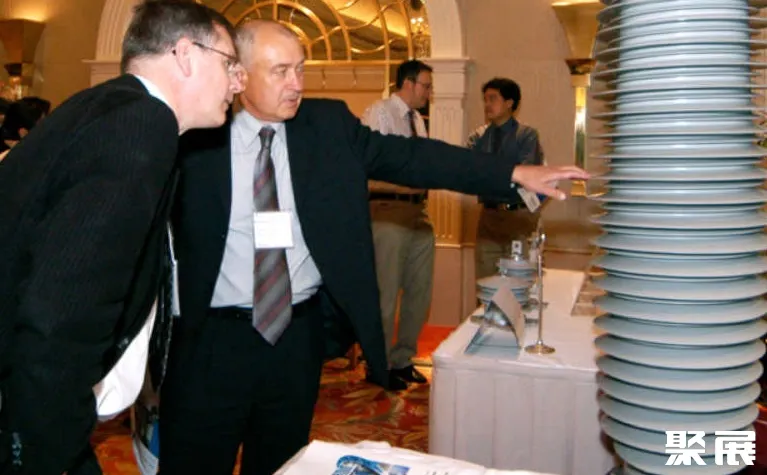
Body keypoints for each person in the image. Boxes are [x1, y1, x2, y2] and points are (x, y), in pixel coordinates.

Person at [159, 19, 588, 475]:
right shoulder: (194, 136)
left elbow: (415, 158)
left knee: (282, 465)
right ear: (239, 75)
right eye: (281, 71)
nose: (297, 84)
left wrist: (512, 173)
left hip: (293, 338)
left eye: (300, 69)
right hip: (210, 342)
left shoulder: (326, 126)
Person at [0, 1, 243, 473]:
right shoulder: (142, 125)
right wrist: (36, 451)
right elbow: (62, 311)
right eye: (229, 63)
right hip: (30, 418)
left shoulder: (106, 107)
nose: (237, 82)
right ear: (185, 54)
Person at [362, 59, 435, 387]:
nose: (429, 93)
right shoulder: (379, 113)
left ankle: (402, 359)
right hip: (388, 210)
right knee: (386, 294)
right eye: (426, 86)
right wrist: (407, 184)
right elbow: (367, 169)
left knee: (420, 292)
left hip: (419, 212)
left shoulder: (417, 120)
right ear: (408, 83)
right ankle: (378, 365)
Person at [472, 77, 545, 279]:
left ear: (509, 103)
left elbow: (525, 174)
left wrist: (491, 175)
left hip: (518, 216)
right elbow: (472, 172)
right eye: (485, 99)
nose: (487, 104)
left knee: (518, 282)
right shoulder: (478, 137)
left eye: (493, 99)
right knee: (485, 280)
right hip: (489, 216)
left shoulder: (526, 135)